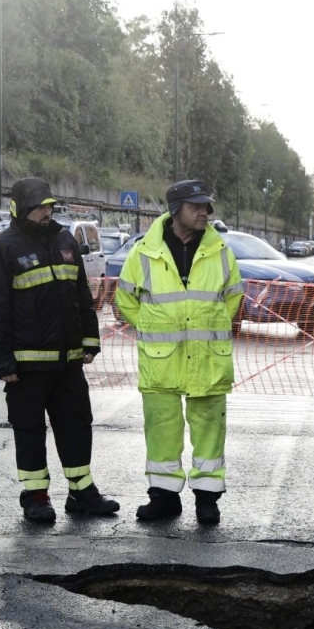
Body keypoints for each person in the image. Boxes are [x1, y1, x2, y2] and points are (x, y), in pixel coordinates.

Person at [0, 177, 119, 523]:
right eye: (39, 206)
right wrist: (1, 360)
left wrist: (90, 339)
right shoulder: (3, 248)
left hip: (68, 362)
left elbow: (82, 295)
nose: (46, 211)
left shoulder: (64, 240)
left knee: (76, 425)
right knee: (29, 431)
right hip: (24, 367)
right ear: (20, 208)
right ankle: (36, 496)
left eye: (49, 205)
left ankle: (81, 492)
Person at [115, 179, 244, 525]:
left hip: (207, 358)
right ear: (176, 212)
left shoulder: (220, 251)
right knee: (161, 428)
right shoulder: (143, 252)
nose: (204, 212)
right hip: (161, 360)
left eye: (206, 207)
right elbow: (125, 298)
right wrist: (152, 326)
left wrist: (210, 326)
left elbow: (233, 296)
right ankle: (164, 499)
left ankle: (207, 500)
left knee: (209, 427)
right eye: (196, 207)